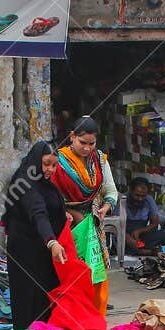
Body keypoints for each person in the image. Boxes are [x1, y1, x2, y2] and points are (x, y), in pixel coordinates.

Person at [50, 117, 117, 318]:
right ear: (72, 137)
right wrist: (69, 213)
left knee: (95, 272)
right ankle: (72, 317)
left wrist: (106, 206)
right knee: (70, 272)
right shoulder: (59, 161)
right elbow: (50, 195)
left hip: (93, 224)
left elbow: (110, 189)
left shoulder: (99, 159)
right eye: (82, 143)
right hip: (65, 224)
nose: (87, 148)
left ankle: (95, 318)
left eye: (91, 143)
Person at [1, 141, 65, 330]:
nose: (50, 170)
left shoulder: (44, 184)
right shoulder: (25, 183)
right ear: (36, 160)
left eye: (54, 165)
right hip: (25, 252)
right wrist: (51, 241)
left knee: (44, 297)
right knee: (28, 298)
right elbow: (38, 213)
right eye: (46, 164)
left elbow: (50, 207)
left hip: (41, 250)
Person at [122, 176, 165, 252]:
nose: (140, 199)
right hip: (123, 234)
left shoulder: (149, 200)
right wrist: (128, 239)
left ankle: (139, 250)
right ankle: (141, 251)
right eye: (137, 195)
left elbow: (155, 224)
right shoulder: (122, 199)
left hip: (141, 236)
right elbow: (117, 225)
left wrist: (139, 231)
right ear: (130, 190)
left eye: (143, 196)